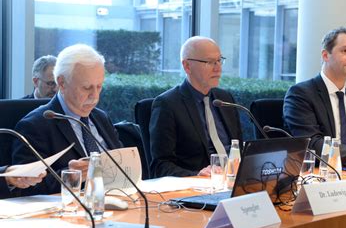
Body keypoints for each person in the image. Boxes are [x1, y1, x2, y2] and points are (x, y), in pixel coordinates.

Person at [12, 44, 122, 194]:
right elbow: (23, 189)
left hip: (117, 201)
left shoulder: (101, 117)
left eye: (99, 86)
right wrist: (70, 176)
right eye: (86, 87)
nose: (95, 96)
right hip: (69, 211)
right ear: (62, 83)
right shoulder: (34, 126)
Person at [149, 36, 242, 178]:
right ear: (187, 66)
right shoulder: (167, 104)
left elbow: (238, 148)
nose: (218, 68)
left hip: (233, 180)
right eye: (210, 62)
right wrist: (196, 175)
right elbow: (161, 166)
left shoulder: (225, 99)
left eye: (219, 60)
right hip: (198, 186)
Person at [284, 27, 346, 166]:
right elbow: (312, 145)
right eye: (345, 51)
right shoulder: (300, 94)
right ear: (325, 55)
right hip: (317, 174)